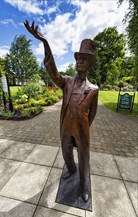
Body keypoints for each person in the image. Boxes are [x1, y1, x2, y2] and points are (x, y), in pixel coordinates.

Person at [24, 20, 98, 203]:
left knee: (84, 157)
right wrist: (45, 43)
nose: (79, 62)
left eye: (83, 59)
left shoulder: (94, 89)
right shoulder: (66, 82)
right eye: (77, 59)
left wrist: (84, 125)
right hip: (65, 126)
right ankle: (71, 170)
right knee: (66, 154)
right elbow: (53, 72)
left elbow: (93, 112)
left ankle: (83, 186)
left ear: (89, 63)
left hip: (82, 129)